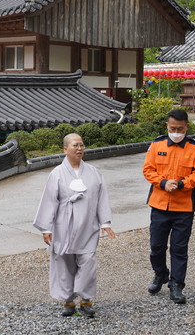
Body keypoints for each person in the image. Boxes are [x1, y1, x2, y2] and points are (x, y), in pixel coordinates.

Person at [33, 133, 116, 318]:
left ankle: (86, 300)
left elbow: (102, 197)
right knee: (64, 263)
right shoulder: (56, 173)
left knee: (88, 262)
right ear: (65, 149)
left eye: (82, 145)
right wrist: (46, 228)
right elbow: (49, 201)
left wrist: (105, 222)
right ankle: (68, 301)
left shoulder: (94, 172)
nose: (79, 149)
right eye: (75, 145)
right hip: (63, 226)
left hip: (88, 225)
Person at [142, 108, 195, 304]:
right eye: (173, 128)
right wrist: (163, 183)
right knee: (156, 247)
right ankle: (160, 274)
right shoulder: (157, 144)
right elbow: (148, 169)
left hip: (183, 207)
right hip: (159, 204)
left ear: (187, 126)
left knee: (179, 249)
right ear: (167, 126)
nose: (176, 132)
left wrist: (180, 183)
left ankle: (176, 284)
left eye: (180, 128)